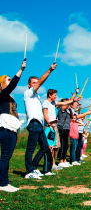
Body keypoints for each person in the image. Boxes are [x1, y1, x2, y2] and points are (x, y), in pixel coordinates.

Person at [24, 63, 57, 179]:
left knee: (45, 147)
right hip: (33, 123)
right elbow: (41, 82)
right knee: (30, 149)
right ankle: (29, 172)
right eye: (34, 83)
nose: (36, 84)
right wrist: (50, 70)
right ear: (29, 85)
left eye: (36, 82)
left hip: (39, 124)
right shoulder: (28, 93)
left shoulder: (37, 96)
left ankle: (34, 167)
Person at [0, 60, 26, 192]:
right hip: (5, 128)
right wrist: (21, 70)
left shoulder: (9, 97)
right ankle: (3, 184)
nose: (10, 81)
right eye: (8, 79)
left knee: (7, 156)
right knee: (5, 156)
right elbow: (12, 86)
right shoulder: (1, 95)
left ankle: (5, 181)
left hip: (12, 128)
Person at [42, 89, 79, 170]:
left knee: (56, 146)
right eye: (55, 95)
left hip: (55, 126)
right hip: (50, 126)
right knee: (50, 146)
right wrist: (74, 95)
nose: (56, 96)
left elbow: (67, 102)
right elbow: (45, 115)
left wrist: (73, 99)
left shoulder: (54, 103)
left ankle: (53, 163)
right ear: (50, 95)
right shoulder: (46, 103)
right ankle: (50, 164)